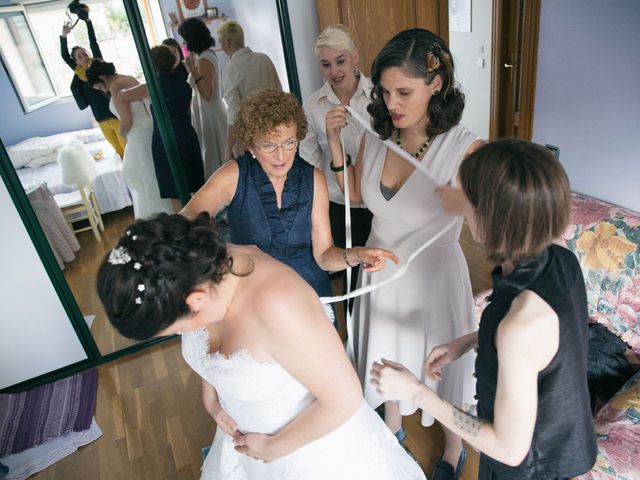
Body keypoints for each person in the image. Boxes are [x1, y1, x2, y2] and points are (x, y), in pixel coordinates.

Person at [96, 212, 426, 479]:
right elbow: (209, 353)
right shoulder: (188, 268)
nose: (179, 334)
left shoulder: (277, 305)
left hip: (311, 454)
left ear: (194, 300)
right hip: (244, 446)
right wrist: (212, 401)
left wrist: (274, 448)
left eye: (174, 330)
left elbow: (345, 399)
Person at [371, 139, 598, 480]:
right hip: (559, 427)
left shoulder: (521, 326)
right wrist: (468, 341)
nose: (463, 210)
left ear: (495, 219)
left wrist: (416, 392)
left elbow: (508, 449)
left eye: (469, 201)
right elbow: (544, 343)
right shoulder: (559, 258)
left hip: (530, 465)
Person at [326, 28, 482, 478]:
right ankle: (392, 426)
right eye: (385, 91)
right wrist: (336, 145)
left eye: (404, 92)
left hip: (434, 279)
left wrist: (469, 200)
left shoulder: (464, 147)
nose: (392, 103)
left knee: (443, 369)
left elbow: (483, 217)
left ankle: (455, 450)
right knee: (385, 352)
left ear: (436, 84)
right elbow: (355, 195)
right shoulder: (377, 133)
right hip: (379, 270)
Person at [181, 89, 398, 300]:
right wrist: (222, 255)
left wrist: (358, 255)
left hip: (308, 291)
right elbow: (187, 218)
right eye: (268, 145)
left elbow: (324, 256)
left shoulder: (313, 178)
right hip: (253, 295)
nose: (281, 155)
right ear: (251, 146)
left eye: (289, 143)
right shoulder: (234, 174)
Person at [299, 24, 374, 297]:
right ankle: (354, 334)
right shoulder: (312, 106)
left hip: (382, 200)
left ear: (355, 56)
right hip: (340, 206)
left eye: (340, 61)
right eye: (326, 64)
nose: (335, 71)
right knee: (353, 279)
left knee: (381, 273)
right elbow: (310, 166)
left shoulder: (380, 96)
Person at [118, 45, 205, 213]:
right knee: (196, 185)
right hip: (187, 135)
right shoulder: (185, 84)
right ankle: (207, 223)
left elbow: (122, 95)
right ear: (172, 62)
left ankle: (187, 228)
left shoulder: (150, 86)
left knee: (175, 191)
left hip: (165, 140)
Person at [86, 60, 174, 219]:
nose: (103, 90)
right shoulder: (129, 77)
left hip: (138, 135)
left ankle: (156, 216)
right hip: (149, 129)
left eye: (100, 87)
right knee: (151, 174)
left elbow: (127, 120)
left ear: (101, 77)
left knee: (143, 177)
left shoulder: (115, 86)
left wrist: (121, 133)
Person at [59, 6, 126, 158]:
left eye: (84, 54)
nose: (84, 57)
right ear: (75, 61)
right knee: (119, 152)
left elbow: (93, 42)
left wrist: (87, 21)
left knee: (127, 149)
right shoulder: (79, 74)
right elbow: (64, 55)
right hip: (101, 120)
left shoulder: (97, 65)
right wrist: (63, 36)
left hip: (114, 116)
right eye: (80, 56)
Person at [216, 20, 282, 161]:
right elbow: (280, 93)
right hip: (277, 129)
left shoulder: (230, 69)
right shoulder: (264, 59)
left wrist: (228, 150)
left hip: (254, 138)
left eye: (221, 42)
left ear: (228, 43)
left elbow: (234, 114)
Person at [178, 18, 227, 179]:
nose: (183, 42)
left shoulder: (205, 58)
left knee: (215, 157)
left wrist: (192, 67)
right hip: (207, 112)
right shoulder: (204, 55)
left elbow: (207, 93)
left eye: (185, 38)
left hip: (210, 114)